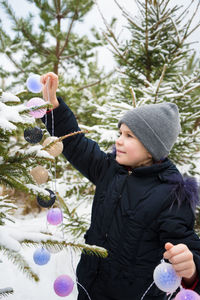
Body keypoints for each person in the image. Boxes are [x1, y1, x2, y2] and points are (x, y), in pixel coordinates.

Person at [40, 72, 200, 300]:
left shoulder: (171, 194)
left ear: (151, 147)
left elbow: (185, 243)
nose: (119, 140)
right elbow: (75, 143)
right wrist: (54, 107)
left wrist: (192, 267)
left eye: (129, 135)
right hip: (89, 288)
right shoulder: (109, 169)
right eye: (120, 133)